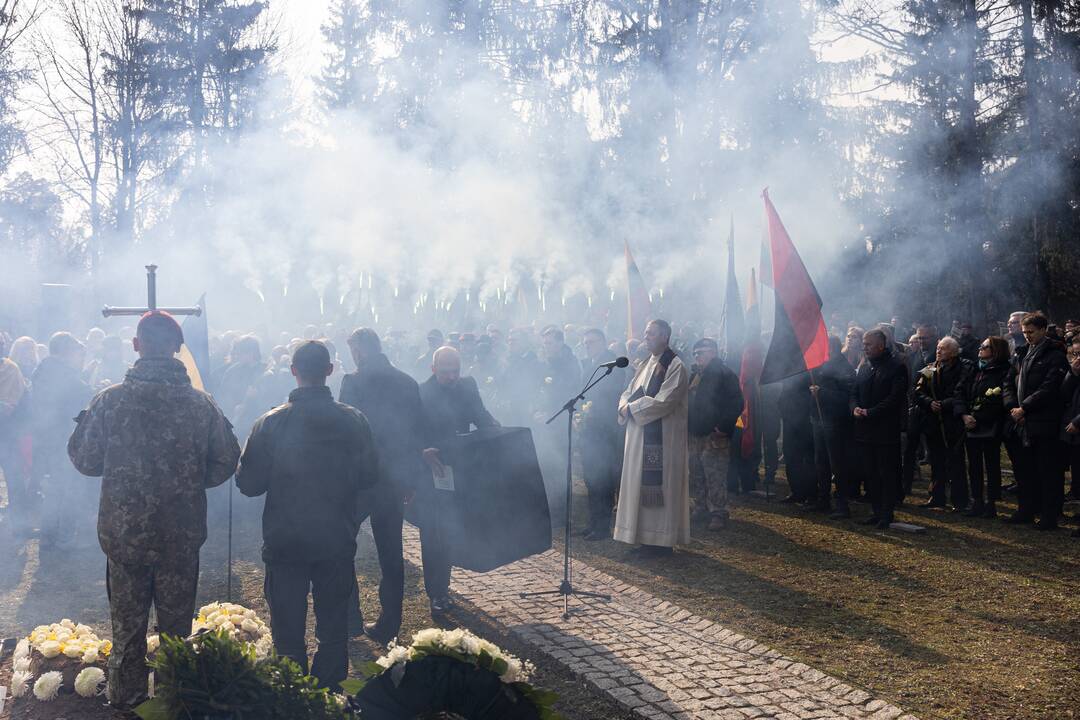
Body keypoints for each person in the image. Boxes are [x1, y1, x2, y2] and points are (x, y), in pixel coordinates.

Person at [68, 311, 241, 710]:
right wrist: (187, 483)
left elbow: (84, 460)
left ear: (136, 345)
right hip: (179, 538)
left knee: (127, 630)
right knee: (176, 631)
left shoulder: (109, 401)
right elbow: (226, 460)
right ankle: (173, 702)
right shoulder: (202, 405)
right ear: (178, 350)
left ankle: (127, 702)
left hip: (124, 538)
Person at [237, 341, 379, 688]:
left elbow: (249, 484)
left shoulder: (270, 422)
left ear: (293, 371)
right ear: (330, 370)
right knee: (333, 629)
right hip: (334, 537)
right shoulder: (353, 420)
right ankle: (328, 694)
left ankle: (292, 695)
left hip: (286, 540)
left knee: (287, 631)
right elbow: (370, 476)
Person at [339, 328, 426, 644]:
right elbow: (417, 435)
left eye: (352, 351)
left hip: (361, 481)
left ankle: (350, 620)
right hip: (394, 480)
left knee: (342, 545)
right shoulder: (407, 382)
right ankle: (390, 624)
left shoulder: (353, 382)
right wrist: (412, 480)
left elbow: (346, 434)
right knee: (392, 553)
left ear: (360, 351)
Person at [418, 346, 499, 615]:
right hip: (434, 471)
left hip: (463, 468)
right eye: (445, 372)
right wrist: (421, 451)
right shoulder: (420, 392)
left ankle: (446, 585)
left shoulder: (467, 386)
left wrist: (499, 432)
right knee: (433, 535)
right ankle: (436, 594)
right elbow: (410, 430)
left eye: (456, 371)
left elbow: (481, 415)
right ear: (433, 369)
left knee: (451, 532)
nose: (452, 377)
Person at [614, 320, 690, 556]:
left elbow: (664, 401)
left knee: (660, 488)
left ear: (665, 336)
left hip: (662, 439)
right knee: (638, 485)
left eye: (650, 334)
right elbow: (628, 391)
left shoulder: (675, 365)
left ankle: (659, 543)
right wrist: (624, 406)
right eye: (645, 333)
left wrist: (631, 409)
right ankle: (642, 538)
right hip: (638, 435)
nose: (645, 337)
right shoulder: (646, 363)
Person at [1005, 312, 1067, 530]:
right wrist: (1013, 406)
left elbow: (1050, 387)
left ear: (1042, 330)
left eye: (1031, 332)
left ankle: (1049, 515)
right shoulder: (1022, 353)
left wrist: (1025, 407)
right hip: (1020, 421)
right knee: (1024, 470)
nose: (1027, 336)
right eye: (1024, 332)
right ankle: (1026, 509)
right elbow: (1009, 382)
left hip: (1043, 421)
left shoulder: (1055, 354)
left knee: (1047, 470)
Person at [31, 332, 93, 547]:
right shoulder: (63, 373)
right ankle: (64, 538)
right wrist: (90, 384)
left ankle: (48, 538)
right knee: (68, 487)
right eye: (76, 349)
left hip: (46, 438)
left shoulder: (42, 369)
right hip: (63, 439)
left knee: (53, 488)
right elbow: (79, 398)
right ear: (66, 350)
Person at [850, 328, 908, 529]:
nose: (864, 347)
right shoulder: (865, 366)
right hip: (864, 431)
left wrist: (871, 412)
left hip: (885, 430)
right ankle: (875, 511)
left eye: (868, 344)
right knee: (870, 473)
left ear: (881, 346)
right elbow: (854, 392)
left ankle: (886, 513)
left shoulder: (896, 367)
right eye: (864, 344)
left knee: (886, 473)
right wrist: (855, 408)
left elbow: (895, 399)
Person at [687, 338, 743, 530]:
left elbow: (736, 403)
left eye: (701, 352)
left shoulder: (725, 374)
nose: (697, 356)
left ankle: (718, 512)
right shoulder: (694, 375)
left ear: (713, 353)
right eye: (695, 353)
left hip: (714, 435)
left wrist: (723, 427)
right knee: (696, 473)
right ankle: (700, 506)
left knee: (715, 475)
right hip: (695, 433)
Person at [913, 337, 972, 511]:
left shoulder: (964, 368)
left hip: (952, 421)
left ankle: (960, 501)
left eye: (943, 349)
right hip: (933, 421)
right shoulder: (930, 368)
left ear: (954, 352)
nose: (939, 351)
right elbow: (917, 392)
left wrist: (944, 404)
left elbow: (963, 392)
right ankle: (936, 496)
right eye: (938, 348)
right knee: (936, 461)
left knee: (956, 462)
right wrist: (929, 402)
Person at [578, 328, 626, 539]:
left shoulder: (613, 364)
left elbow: (610, 394)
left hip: (604, 430)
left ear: (604, 342)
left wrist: (592, 409)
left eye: (593, 342)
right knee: (590, 478)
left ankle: (602, 526)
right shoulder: (591, 364)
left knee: (602, 478)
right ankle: (593, 522)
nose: (588, 345)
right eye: (586, 343)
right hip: (589, 430)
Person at [956, 336, 1011, 517]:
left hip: (990, 425)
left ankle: (992, 502)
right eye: (980, 345)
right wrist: (964, 415)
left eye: (985, 346)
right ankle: (977, 500)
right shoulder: (974, 369)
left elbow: (1001, 399)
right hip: (970, 424)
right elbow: (960, 392)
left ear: (995, 350)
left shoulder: (1004, 370)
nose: (980, 348)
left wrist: (978, 417)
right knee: (974, 465)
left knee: (992, 464)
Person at [809, 336, 856, 517]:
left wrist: (822, 393)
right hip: (818, 420)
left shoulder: (845, 369)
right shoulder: (820, 365)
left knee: (837, 464)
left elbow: (847, 398)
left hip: (836, 422)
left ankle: (842, 505)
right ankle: (823, 500)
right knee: (820, 462)